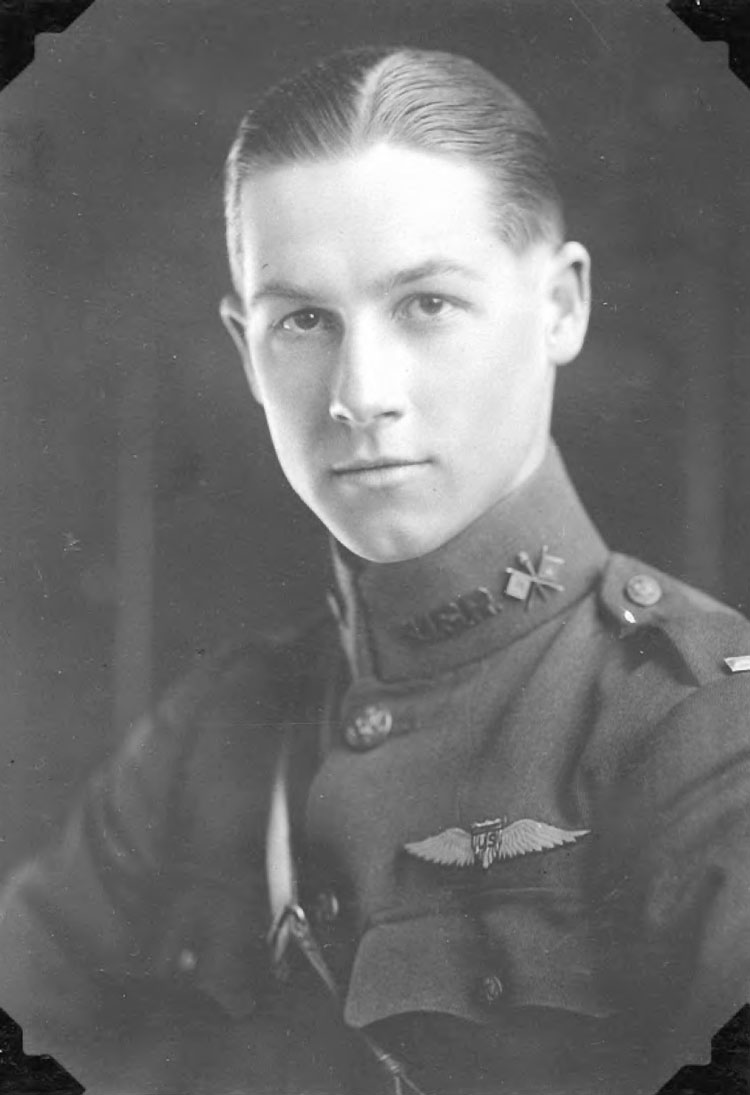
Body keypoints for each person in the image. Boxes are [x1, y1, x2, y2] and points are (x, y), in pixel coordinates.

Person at [0, 45, 749, 1095]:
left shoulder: (704, 734)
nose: (360, 392)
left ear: (562, 306)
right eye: (304, 320)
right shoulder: (211, 734)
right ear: (245, 348)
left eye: (426, 304)